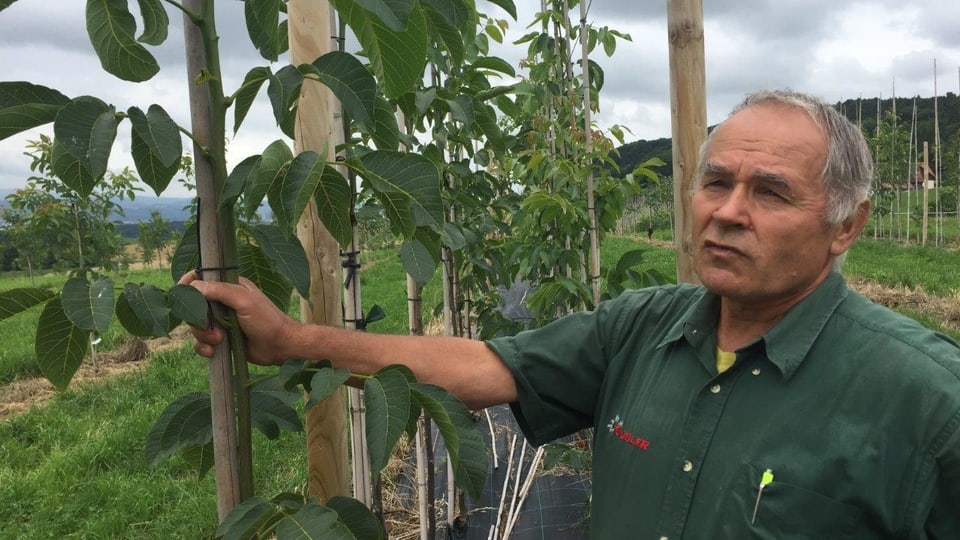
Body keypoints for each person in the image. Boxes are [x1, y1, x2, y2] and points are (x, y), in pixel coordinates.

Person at [183, 89, 960, 538]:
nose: (726, 213)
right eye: (715, 182)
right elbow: (488, 367)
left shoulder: (927, 402)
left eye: (771, 192)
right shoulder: (644, 327)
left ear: (846, 227)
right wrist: (293, 341)